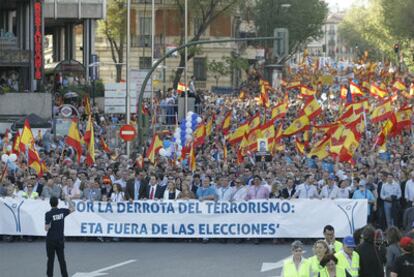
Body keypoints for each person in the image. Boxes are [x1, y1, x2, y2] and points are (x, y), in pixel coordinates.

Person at [45, 196, 75, 277]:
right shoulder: (62, 211)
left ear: (50, 204)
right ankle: (65, 275)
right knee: (61, 259)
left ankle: (49, 275)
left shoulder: (48, 214)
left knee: (50, 260)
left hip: (50, 240)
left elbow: (46, 228)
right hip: (60, 239)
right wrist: (68, 199)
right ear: (57, 203)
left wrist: (50, 224)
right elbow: (73, 208)